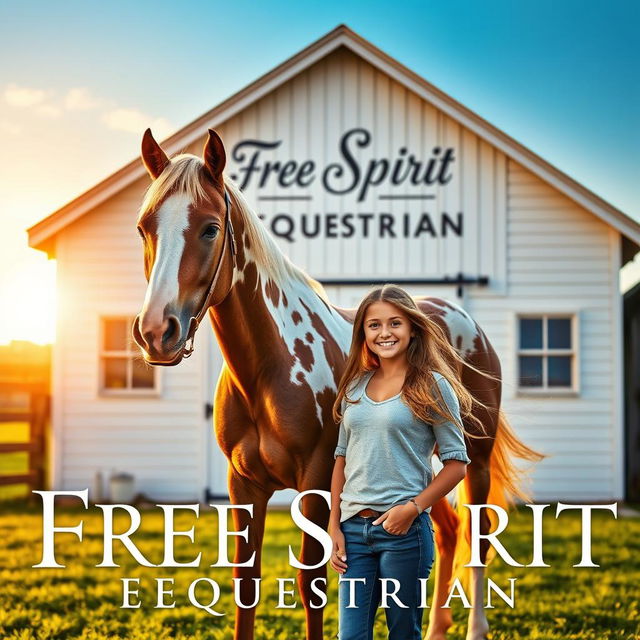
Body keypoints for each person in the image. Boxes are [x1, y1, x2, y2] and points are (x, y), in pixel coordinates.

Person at [329, 284, 474, 640]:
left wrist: (412, 509)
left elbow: (457, 464)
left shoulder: (432, 385)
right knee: (351, 635)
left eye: (395, 323)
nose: (385, 333)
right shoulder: (353, 388)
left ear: (412, 328)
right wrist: (334, 527)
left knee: (402, 633)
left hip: (404, 534)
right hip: (354, 533)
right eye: (374, 325)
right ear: (363, 332)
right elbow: (340, 461)